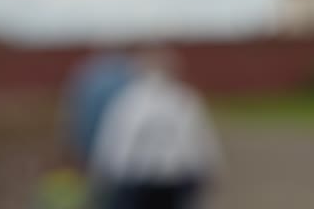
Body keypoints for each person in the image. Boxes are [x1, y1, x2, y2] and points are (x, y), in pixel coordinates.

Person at [92, 49, 221, 209]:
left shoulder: (127, 101)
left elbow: (114, 141)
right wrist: (211, 169)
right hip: (174, 177)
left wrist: (102, 173)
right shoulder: (185, 99)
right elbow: (201, 141)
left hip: (138, 177)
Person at [64, 50, 137, 206]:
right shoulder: (129, 80)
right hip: (124, 161)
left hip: (92, 154)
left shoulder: (87, 80)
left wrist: (75, 150)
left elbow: (75, 118)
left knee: (98, 197)